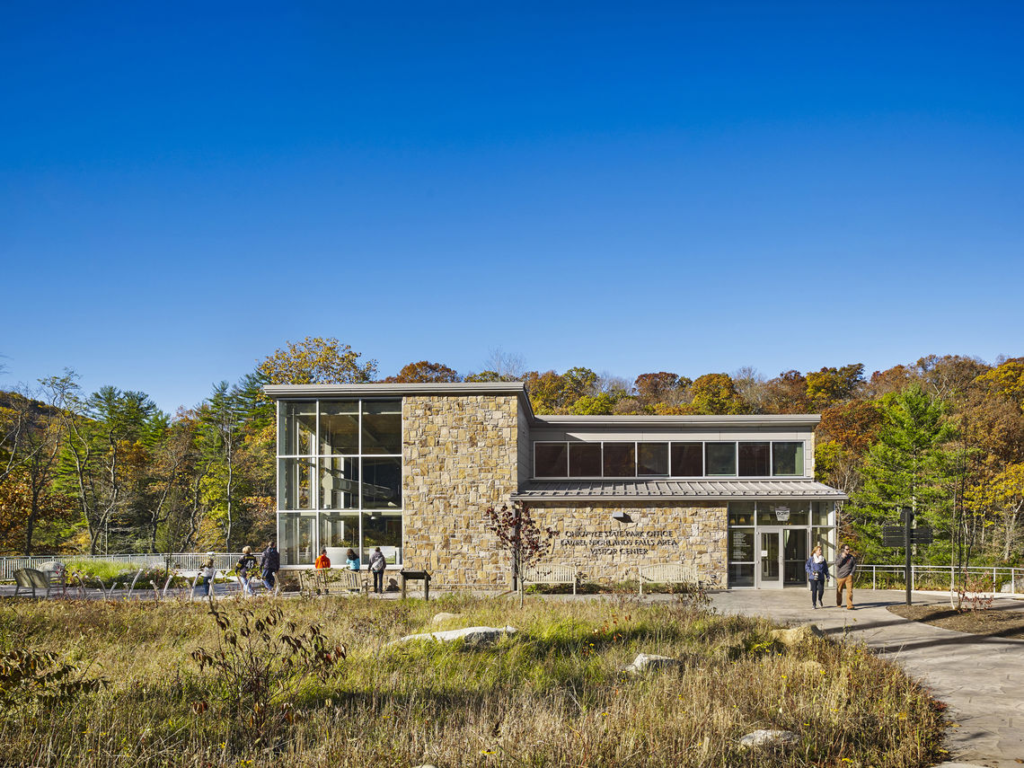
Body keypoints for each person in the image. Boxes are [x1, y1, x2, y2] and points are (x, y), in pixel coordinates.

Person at [836, 544, 857, 610]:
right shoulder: (838, 556)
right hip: (840, 576)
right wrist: (842, 557)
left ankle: (849, 605)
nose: (848, 550)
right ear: (843, 550)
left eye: (849, 549)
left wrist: (851, 573)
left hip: (849, 576)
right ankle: (839, 603)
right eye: (847, 549)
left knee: (849, 591)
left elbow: (854, 565)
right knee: (839, 591)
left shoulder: (851, 557)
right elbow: (837, 564)